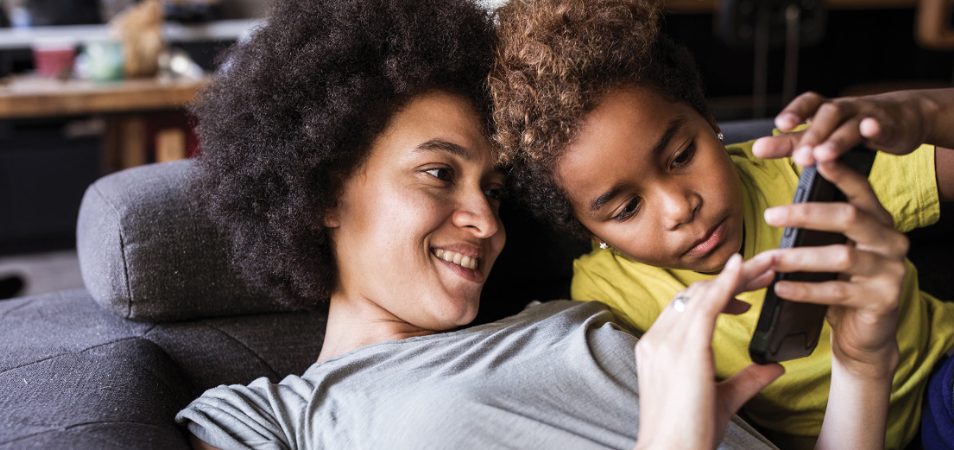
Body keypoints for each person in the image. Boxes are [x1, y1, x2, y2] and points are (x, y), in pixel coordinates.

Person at [174, 0, 788, 448]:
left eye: (494, 190)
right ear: (324, 193)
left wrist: (861, 363)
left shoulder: (582, 313)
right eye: (439, 173)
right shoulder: (278, 417)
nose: (487, 222)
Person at [489, 0, 952, 448]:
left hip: (940, 373)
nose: (679, 208)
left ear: (710, 121)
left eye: (682, 155)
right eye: (627, 209)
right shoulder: (607, 299)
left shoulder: (799, 167)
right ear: (589, 231)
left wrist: (921, 111)